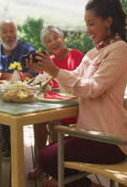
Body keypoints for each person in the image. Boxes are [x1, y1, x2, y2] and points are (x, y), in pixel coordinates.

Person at [29, 0, 127, 187]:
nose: (87, 30)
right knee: (49, 155)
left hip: (111, 139)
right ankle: (73, 181)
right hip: (89, 134)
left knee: (47, 158)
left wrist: (55, 71)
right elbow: (73, 82)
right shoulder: (93, 53)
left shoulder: (120, 50)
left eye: (91, 24)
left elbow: (92, 89)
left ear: (108, 21)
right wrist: (46, 71)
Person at [26, 26, 84, 179]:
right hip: (53, 106)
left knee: (54, 121)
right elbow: (44, 85)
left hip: (74, 107)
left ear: (63, 37)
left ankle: (55, 169)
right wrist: (35, 72)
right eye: (48, 41)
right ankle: (42, 163)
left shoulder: (75, 55)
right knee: (37, 120)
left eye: (56, 37)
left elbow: (79, 83)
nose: (53, 42)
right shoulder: (48, 61)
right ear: (45, 47)